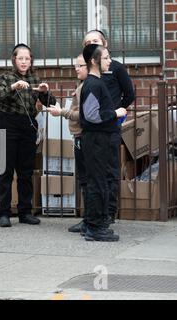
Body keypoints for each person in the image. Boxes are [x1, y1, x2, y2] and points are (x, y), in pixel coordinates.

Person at [0, 43, 56, 228]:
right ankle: (3, 213)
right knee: (5, 171)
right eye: (21, 58)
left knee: (25, 171)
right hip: (6, 124)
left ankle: (25, 212)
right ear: (14, 60)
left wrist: (45, 92)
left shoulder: (35, 79)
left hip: (27, 126)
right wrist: (13, 87)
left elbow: (51, 103)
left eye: (27, 58)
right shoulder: (5, 77)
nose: (24, 62)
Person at [82, 30, 135, 226]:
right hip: (93, 129)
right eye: (88, 42)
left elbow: (129, 95)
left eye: (96, 41)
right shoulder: (90, 75)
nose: (92, 44)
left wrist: (115, 114)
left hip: (108, 128)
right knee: (91, 175)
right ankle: (93, 217)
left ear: (104, 44)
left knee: (109, 173)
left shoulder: (116, 68)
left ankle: (108, 213)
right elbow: (89, 108)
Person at [79, 44, 127, 242]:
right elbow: (91, 116)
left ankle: (96, 224)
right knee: (97, 182)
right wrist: (115, 113)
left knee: (99, 181)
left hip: (100, 139)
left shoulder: (96, 83)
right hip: (96, 140)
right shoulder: (93, 84)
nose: (109, 61)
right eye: (106, 58)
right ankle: (94, 226)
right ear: (94, 61)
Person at [46, 54, 89, 233]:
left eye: (80, 66)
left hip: (84, 137)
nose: (77, 69)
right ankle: (89, 219)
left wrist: (62, 112)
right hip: (79, 136)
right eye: (75, 66)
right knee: (84, 180)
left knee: (87, 180)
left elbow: (85, 114)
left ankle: (90, 220)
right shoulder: (82, 85)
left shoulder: (88, 87)